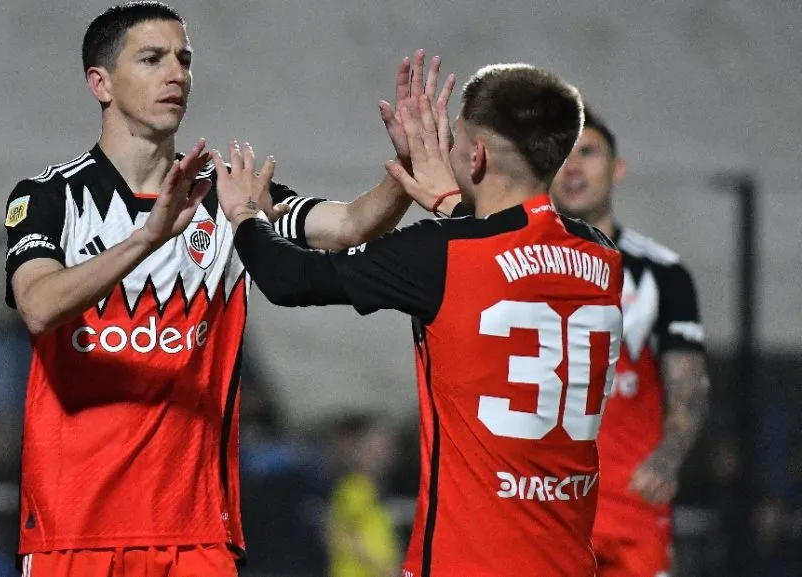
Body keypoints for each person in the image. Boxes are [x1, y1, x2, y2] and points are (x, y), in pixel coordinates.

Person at [2, 2, 454, 575]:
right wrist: (147, 238)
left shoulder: (229, 193)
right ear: (101, 83)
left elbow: (347, 226)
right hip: (75, 532)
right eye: (152, 58)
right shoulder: (47, 197)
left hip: (195, 534)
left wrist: (404, 166)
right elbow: (38, 307)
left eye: (184, 60)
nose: (177, 74)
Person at [212, 63, 624, 576]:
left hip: (464, 563)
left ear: (476, 156)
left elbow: (289, 278)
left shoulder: (440, 255)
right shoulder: (601, 257)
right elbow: (511, 259)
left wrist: (245, 214)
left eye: (455, 140)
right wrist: (453, 206)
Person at [550, 107, 710, 577]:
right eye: (562, 155)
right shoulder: (511, 265)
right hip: (539, 505)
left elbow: (690, 384)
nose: (574, 166)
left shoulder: (663, 273)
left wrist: (669, 457)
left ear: (618, 169)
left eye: (588, 152)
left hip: (630, 503)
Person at [326, 412, 401, 577]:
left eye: (388, 448)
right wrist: (383, 568)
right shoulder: (355, 489)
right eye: (376, 449)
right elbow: (340, 533)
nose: (385, 455)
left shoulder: (368, 489)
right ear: (357, 451)